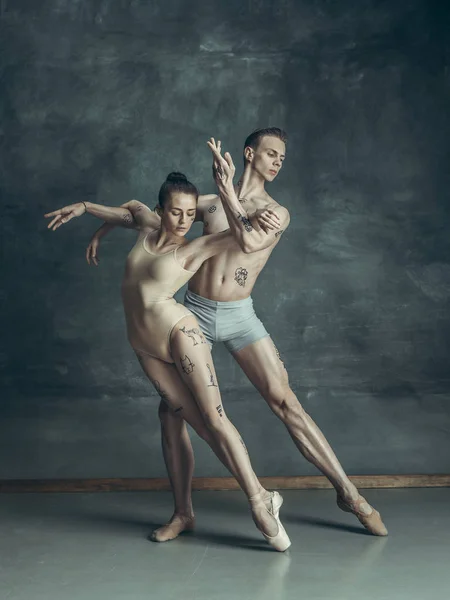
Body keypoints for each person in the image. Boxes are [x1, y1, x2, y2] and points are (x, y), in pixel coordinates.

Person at [87, 129, 388, 541]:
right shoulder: (207, 204)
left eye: (282, 157)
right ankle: (182, 513)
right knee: (170, 412)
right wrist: (101, 225)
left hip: (239, 315)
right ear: (250, 153)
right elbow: (153, 218)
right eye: (271, 153)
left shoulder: (275, 212)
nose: (279, 161)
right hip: (193, 311)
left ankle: (349, 494)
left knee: (286, 403)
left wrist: (226, 187)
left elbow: (246, 241)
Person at [44, 171, 291, 552]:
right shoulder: (147, 227)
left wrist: (257, 216)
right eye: (175, 213)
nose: (182, 221)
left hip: (182, 334)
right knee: (196, 427)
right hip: (145, 348)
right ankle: (184, 514)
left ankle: (260, 500)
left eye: (189, 213)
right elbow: (129, 208)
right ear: (161, 211)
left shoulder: (195, 248)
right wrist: (89, 213)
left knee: (214, 419)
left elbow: (248, 239)